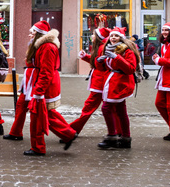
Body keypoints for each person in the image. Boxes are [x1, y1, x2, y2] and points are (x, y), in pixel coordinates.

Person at [24, 20, 77, 156]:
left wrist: (38, 91)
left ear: (39, 34)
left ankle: (38, 147)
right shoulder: (42, 46)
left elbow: (46, 72)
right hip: (42, 85)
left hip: (44, 87)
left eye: (33, 32)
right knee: (47, 114)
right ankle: (68, 134)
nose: (30, 34)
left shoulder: (47, 47)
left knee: (37, 116)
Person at [95, 27, 140, 149]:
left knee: (106, 108)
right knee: (121, 111)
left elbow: (130, 68)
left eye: (116, 36)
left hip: (120, 84)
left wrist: (116, 58)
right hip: (111, 82)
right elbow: (104, 68)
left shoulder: (127, 51)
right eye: (111, 36)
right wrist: (99, 61)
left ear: (121, 38)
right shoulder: (108, 49)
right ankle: (125, 138)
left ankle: (112, 137)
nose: (113, 38)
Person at [69, 27, 111, 134]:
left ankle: (73, 129)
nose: (92, 36)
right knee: (110, 109)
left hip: (99, 83)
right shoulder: (100, 47)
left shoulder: (101, 48)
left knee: (88, 108)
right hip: (100, 83)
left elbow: (99, 64)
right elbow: (96, 61)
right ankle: (118, 132)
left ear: (98, 37)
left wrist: (91, 58)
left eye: (93, 34)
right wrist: (85, 56)